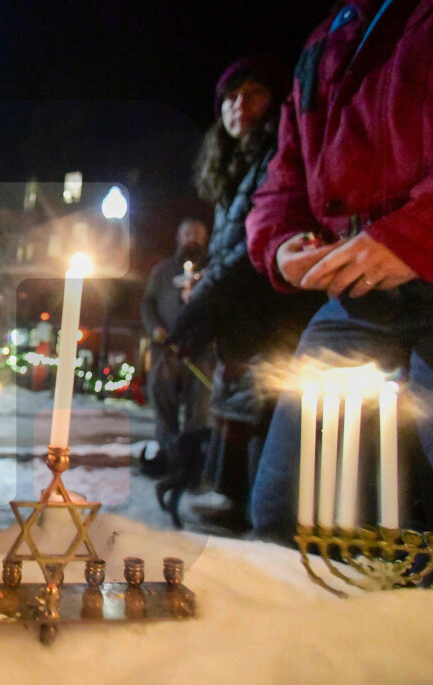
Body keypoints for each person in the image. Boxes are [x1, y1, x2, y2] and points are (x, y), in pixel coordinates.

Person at [246, 0, 433, 540]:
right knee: (287, 512)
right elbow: (285, 176)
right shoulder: (328, 39)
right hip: (360, 290)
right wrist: (283, 244)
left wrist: (420, 232)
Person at [163, 57, 323, 532]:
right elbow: (231, 245)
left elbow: (253, 250)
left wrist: (202, 301)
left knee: (264, 404)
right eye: (230, 97)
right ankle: (236, 500)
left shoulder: (277, 154)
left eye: (252, 93)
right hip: (246, 314)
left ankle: (255, 514)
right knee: (242, 403)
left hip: (275, 309)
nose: (239, 105)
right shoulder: (238, 169)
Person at [140, 218, 212, 483]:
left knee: (200, 407)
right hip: (166, 350)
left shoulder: (214, 268)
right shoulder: (162, 271)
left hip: (200, 350)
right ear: (178, 237)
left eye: (198, 233)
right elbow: (148, 303)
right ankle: (169, 458)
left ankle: (192, 463)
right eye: (187, 232)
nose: (192, 237)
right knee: (163, 402)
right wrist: (155, 328)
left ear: (205, 238)